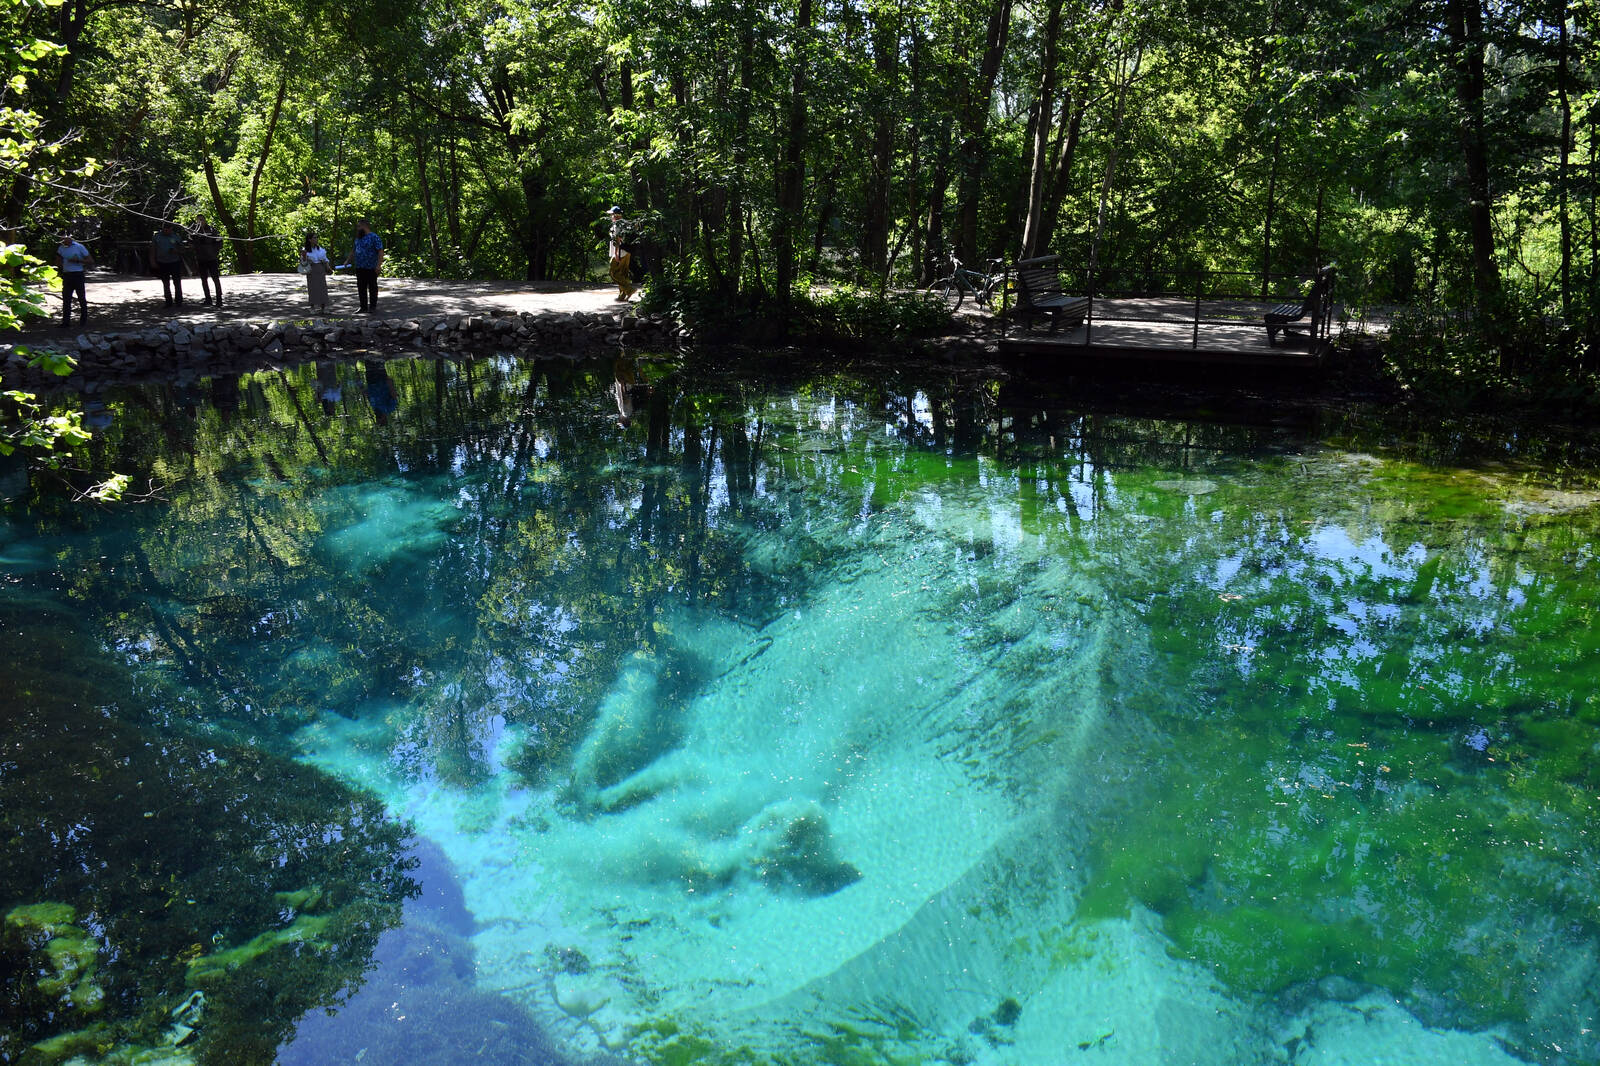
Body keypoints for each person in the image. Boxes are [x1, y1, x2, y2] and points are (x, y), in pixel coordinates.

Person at [342, 220, 384, 313]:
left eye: (359, 227)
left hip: (371, 267)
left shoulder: (374, 237)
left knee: (372, 287)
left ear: (365, 226)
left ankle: (373, 307)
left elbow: (380, 252)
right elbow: (353, 250)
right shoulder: (358, 238)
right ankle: (363, 307)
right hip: (360, 267)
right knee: (361, 287)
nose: (357, 229)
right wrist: (347, 260)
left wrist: (378, 265)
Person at [56, 233, 93, 327]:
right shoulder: (61, 248)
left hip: (78, 275)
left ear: (70, 237)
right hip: (67, 275)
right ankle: (65, 322)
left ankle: (83, 320)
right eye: (61, 238)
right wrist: (59, 264)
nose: (62, 240)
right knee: (66, 299)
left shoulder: (79, 247)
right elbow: (58, 260)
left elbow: (90, 260)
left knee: (81, 298)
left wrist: (78, 261)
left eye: (64, 238)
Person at [150, 220, 188, 308]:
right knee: (166, 283)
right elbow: (152, 250)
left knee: (177, 282)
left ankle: (179, 301)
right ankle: (168, 301)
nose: (167, 231)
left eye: (169, 229)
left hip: (175, 262)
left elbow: (183, 250)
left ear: (171, 229)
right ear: (162, 229)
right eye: (165, 229)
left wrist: (176, 251)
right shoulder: (157, 237)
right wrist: (152, 261)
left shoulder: (176, 237)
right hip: (162, 262)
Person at [190, 216, 223, 305]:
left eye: (202, 219)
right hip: (201, 259)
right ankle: (208, 299)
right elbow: (191, 244)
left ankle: (219, 299)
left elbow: (220, 242)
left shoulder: (212, 230)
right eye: (198, 220)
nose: (200, 221)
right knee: (204, 280)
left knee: (215, 279)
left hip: (211, 258)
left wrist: (213, 251)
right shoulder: (194, 231)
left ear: (205, 220)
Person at [300, 230, 332, 313]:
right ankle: (312, 307)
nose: (316, 239)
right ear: (309, 240)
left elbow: (325, 260)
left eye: (316, 237)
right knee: (312, 288)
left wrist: (328, 268)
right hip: (311, 269)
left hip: (320, 268)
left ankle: (323, 307)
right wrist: (306, 260)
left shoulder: (320, 249)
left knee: (322, 287)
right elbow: (303, 262)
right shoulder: (305, 250)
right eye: (314, 238)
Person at [607, 206, 635, 301]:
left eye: (611, 214)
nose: (611, 216)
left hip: (620, 252)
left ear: (615, 215)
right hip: (628, 251)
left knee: (613, 272)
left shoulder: (617, 224)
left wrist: (616, 253)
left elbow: (617, 239)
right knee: (623, 274)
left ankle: (629, 289)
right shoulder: (626, 223)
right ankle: (622, 295)